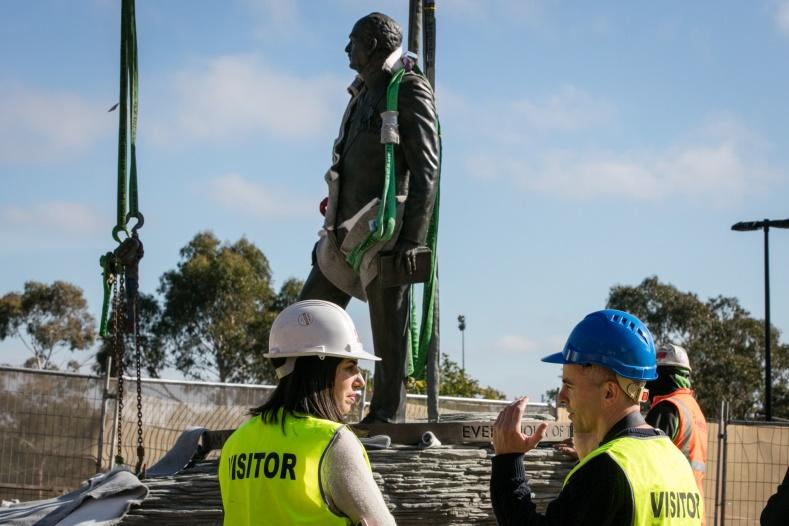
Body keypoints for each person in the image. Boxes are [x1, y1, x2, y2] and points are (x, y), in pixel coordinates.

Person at [298, 12, 440, 423]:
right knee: (307, 320)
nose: (347, 49)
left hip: (385, 232)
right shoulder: (361, 94)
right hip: (341, 235)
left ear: (374, 45)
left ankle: (385, 418)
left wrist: (413, 242)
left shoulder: (408, 90)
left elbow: (427, 170)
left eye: (353, 41)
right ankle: (304, 405)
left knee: (389, 339)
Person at [491, 309, 703, 525]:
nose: (561, 397)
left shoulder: (607, 469)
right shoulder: (676, 463)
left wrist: (508, 462)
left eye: (569, 385)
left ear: (609, 392)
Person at [218, 300, 396, 526]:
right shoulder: (332, 441)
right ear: (318, 371)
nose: (360, 380)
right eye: (349, 367)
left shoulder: (236, 443)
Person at [645, 344, 708, 499]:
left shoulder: (667, 409)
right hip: (693, 507)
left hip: (668, 507)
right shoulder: (694, 409)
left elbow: (645, 463)